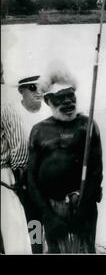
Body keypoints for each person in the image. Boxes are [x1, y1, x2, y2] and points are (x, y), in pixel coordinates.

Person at [27, 70, 103, 253]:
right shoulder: (38, 131)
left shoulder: (87, 125)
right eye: (61, 98)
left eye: (71, 96)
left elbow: (96, 172)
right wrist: (47, 216)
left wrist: (84, 209)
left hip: (83, 206)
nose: (69, 102)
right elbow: (31, 178)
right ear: (48, 101)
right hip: (52, 208)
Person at [16, 75, 50, 254]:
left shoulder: (50, 111)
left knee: (52, 230)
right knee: (33, 225)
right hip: (25, 184)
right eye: (32, 88)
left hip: (49, 183)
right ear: (21, 90)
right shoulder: (14, 114)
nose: (38, 92)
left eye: (40, 87)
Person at [1, 62, 32, 254]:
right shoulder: (6, 106)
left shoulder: (6, 107)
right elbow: (20, 148)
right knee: (12, 236)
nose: (3, 80)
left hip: (4, 178)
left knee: (13, 236)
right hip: (4, 177)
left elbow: (20, 149)